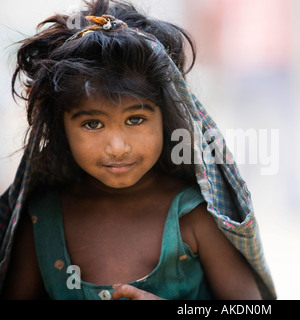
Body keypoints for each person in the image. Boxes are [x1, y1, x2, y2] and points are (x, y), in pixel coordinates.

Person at [0, 0, 276, 300]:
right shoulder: (40, 220)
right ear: (60, 129)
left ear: (166, 120)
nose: (117, 148)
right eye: (92, 124)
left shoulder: (194, 217)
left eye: (135, 119)